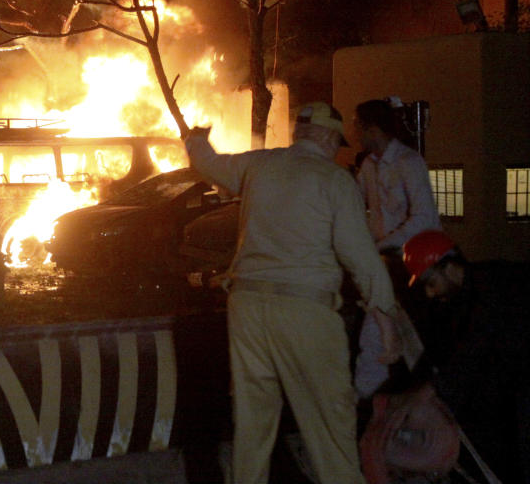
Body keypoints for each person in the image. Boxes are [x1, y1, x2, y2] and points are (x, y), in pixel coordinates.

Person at [186, 101, 400, 484]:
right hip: (305, 311)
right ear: (328, 137)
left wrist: (196, 139)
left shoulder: (258, 165)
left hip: (247, 308)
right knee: (330, 422)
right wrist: (385, 320)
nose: (337, 148)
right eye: (337, 141)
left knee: (253, 423)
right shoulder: (334, 180)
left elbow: (206, 162)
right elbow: (361, 258)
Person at [397, 230, 530, 482]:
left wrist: (430, 390)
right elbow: (448, 350)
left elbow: (473, 350)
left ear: (448, 268)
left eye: (430, 283)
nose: (430, 293)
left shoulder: (493, 288)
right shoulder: (459, 300)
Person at [352, 99, 441, 399]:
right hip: (387, 265)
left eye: (357, 125)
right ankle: (366, 400)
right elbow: (354, 206)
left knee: (411, 338)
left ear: (371, 128)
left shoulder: (408, 163)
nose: (354, 132)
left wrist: (379, 244)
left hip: (419, 267)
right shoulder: (368, 166)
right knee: (378, 333)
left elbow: (425, 219)